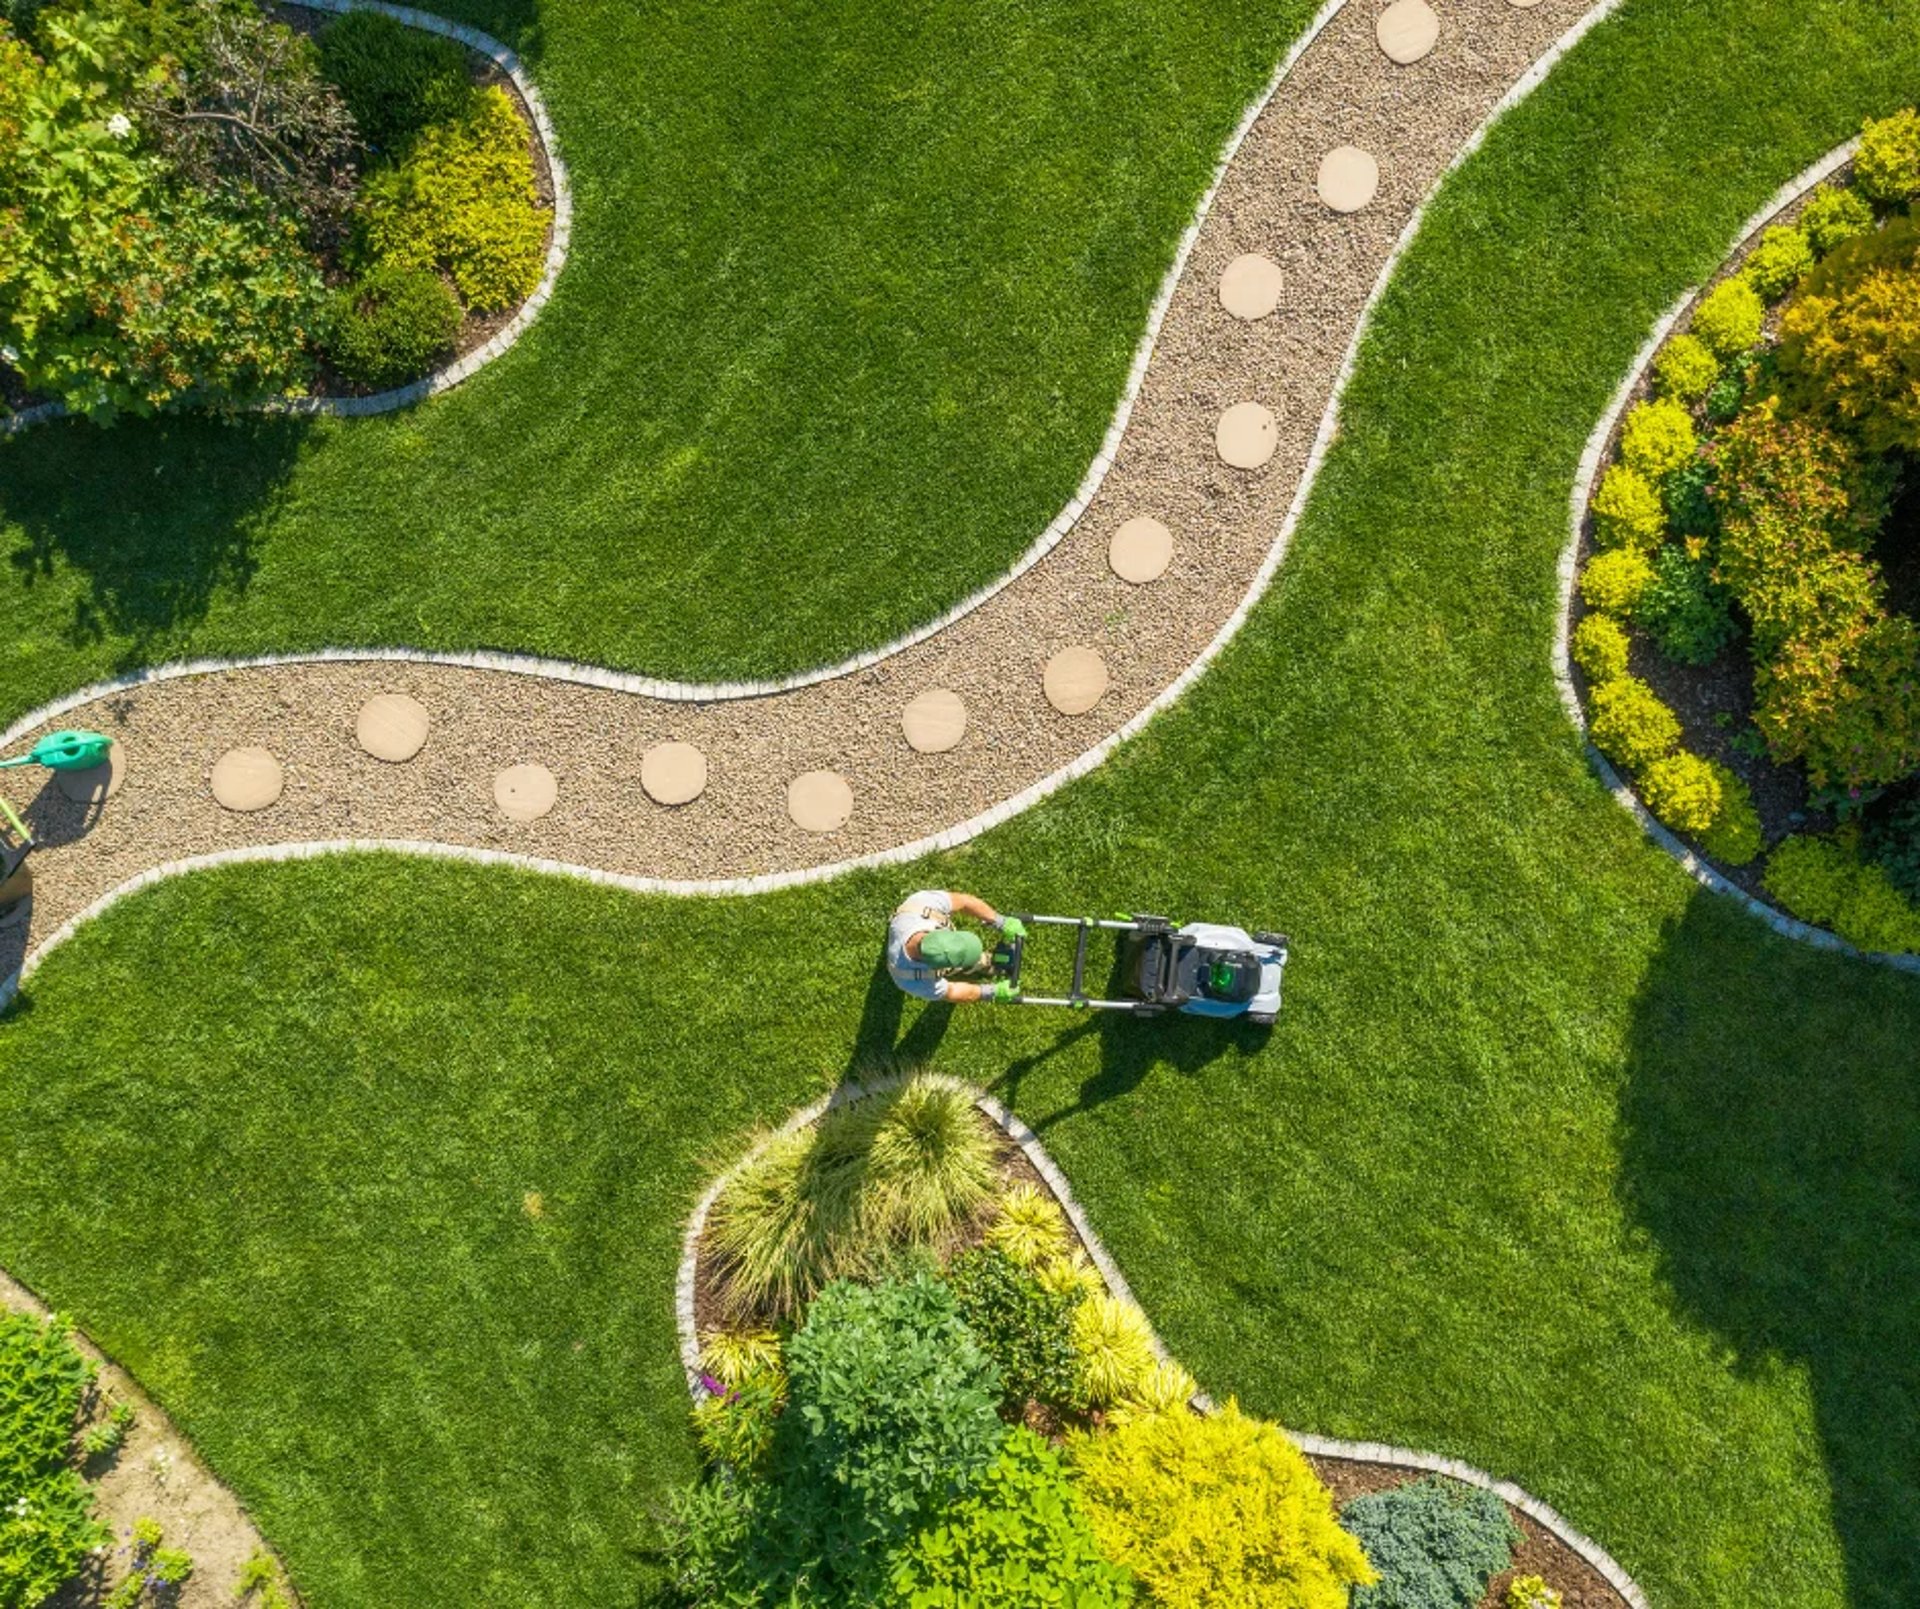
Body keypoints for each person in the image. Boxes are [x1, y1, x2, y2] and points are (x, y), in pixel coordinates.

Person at [886, 889, 1027, 1003]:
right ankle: (983, 963)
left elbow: (964, 902)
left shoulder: (921, 905)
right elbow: (951, 991)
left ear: (939, 931)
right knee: (972, 962)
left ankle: (983, 962)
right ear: (939, 968)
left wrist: (1000, 921)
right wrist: (990, 992)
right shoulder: (909, 979)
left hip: (907, 926)